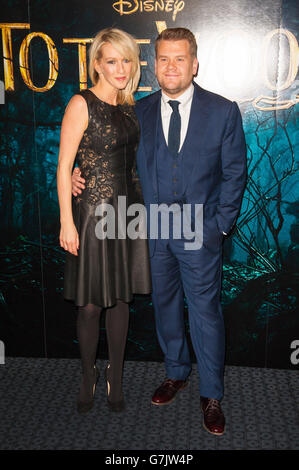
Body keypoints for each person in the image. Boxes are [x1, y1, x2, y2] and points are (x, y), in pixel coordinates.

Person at [72, 27, 247, 435]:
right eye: (164, 58)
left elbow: (235, 173)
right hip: (150, 230)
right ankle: (175, 372)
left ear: (194, 63)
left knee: (205, 313)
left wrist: (219, 227)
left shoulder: (223, 111)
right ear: (153, 64)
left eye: (180, 58)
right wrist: (79, 173)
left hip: (199, 232)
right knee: (165, 307)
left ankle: (212, 394)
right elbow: (108, 154)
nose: (171, 66)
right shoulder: (138, 111)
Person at [57, 28, 151, 415]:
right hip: (93, 214)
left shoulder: (131, 107)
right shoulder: (82, 103)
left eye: (127, 60)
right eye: (111, 60)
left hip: (128, 213)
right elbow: (64, 169)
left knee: (120, 300)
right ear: (96, 63)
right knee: (91, 306)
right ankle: (87, 375)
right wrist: (67, 221)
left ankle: (115, 375)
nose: (120, 68)